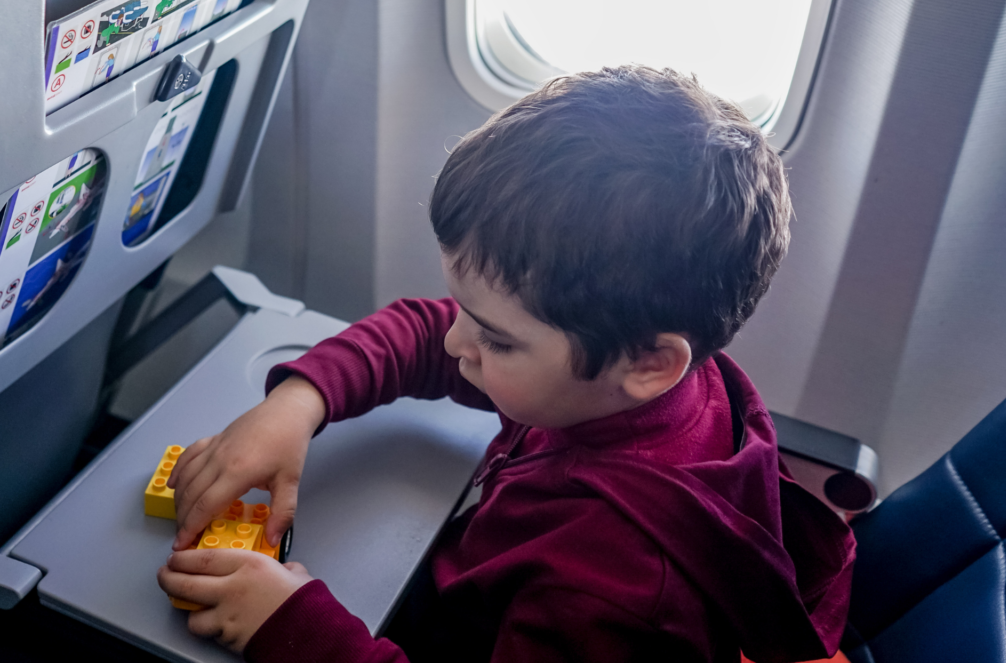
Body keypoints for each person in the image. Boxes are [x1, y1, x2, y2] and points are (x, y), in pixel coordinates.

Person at [158, 65, 856, 662]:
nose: (458, 341)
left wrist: (292, 627)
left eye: (496, 339)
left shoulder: (613, 593)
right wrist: (296, 404)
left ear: (648, 362)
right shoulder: (633, 385)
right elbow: (426, 331)